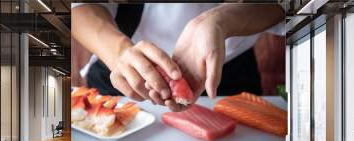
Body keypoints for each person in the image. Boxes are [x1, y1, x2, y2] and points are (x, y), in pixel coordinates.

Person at [72, 3, 285, 111]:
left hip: (227, 66)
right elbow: (78, 7)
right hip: (122, 66)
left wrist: (221, 20)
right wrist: (119, 52)